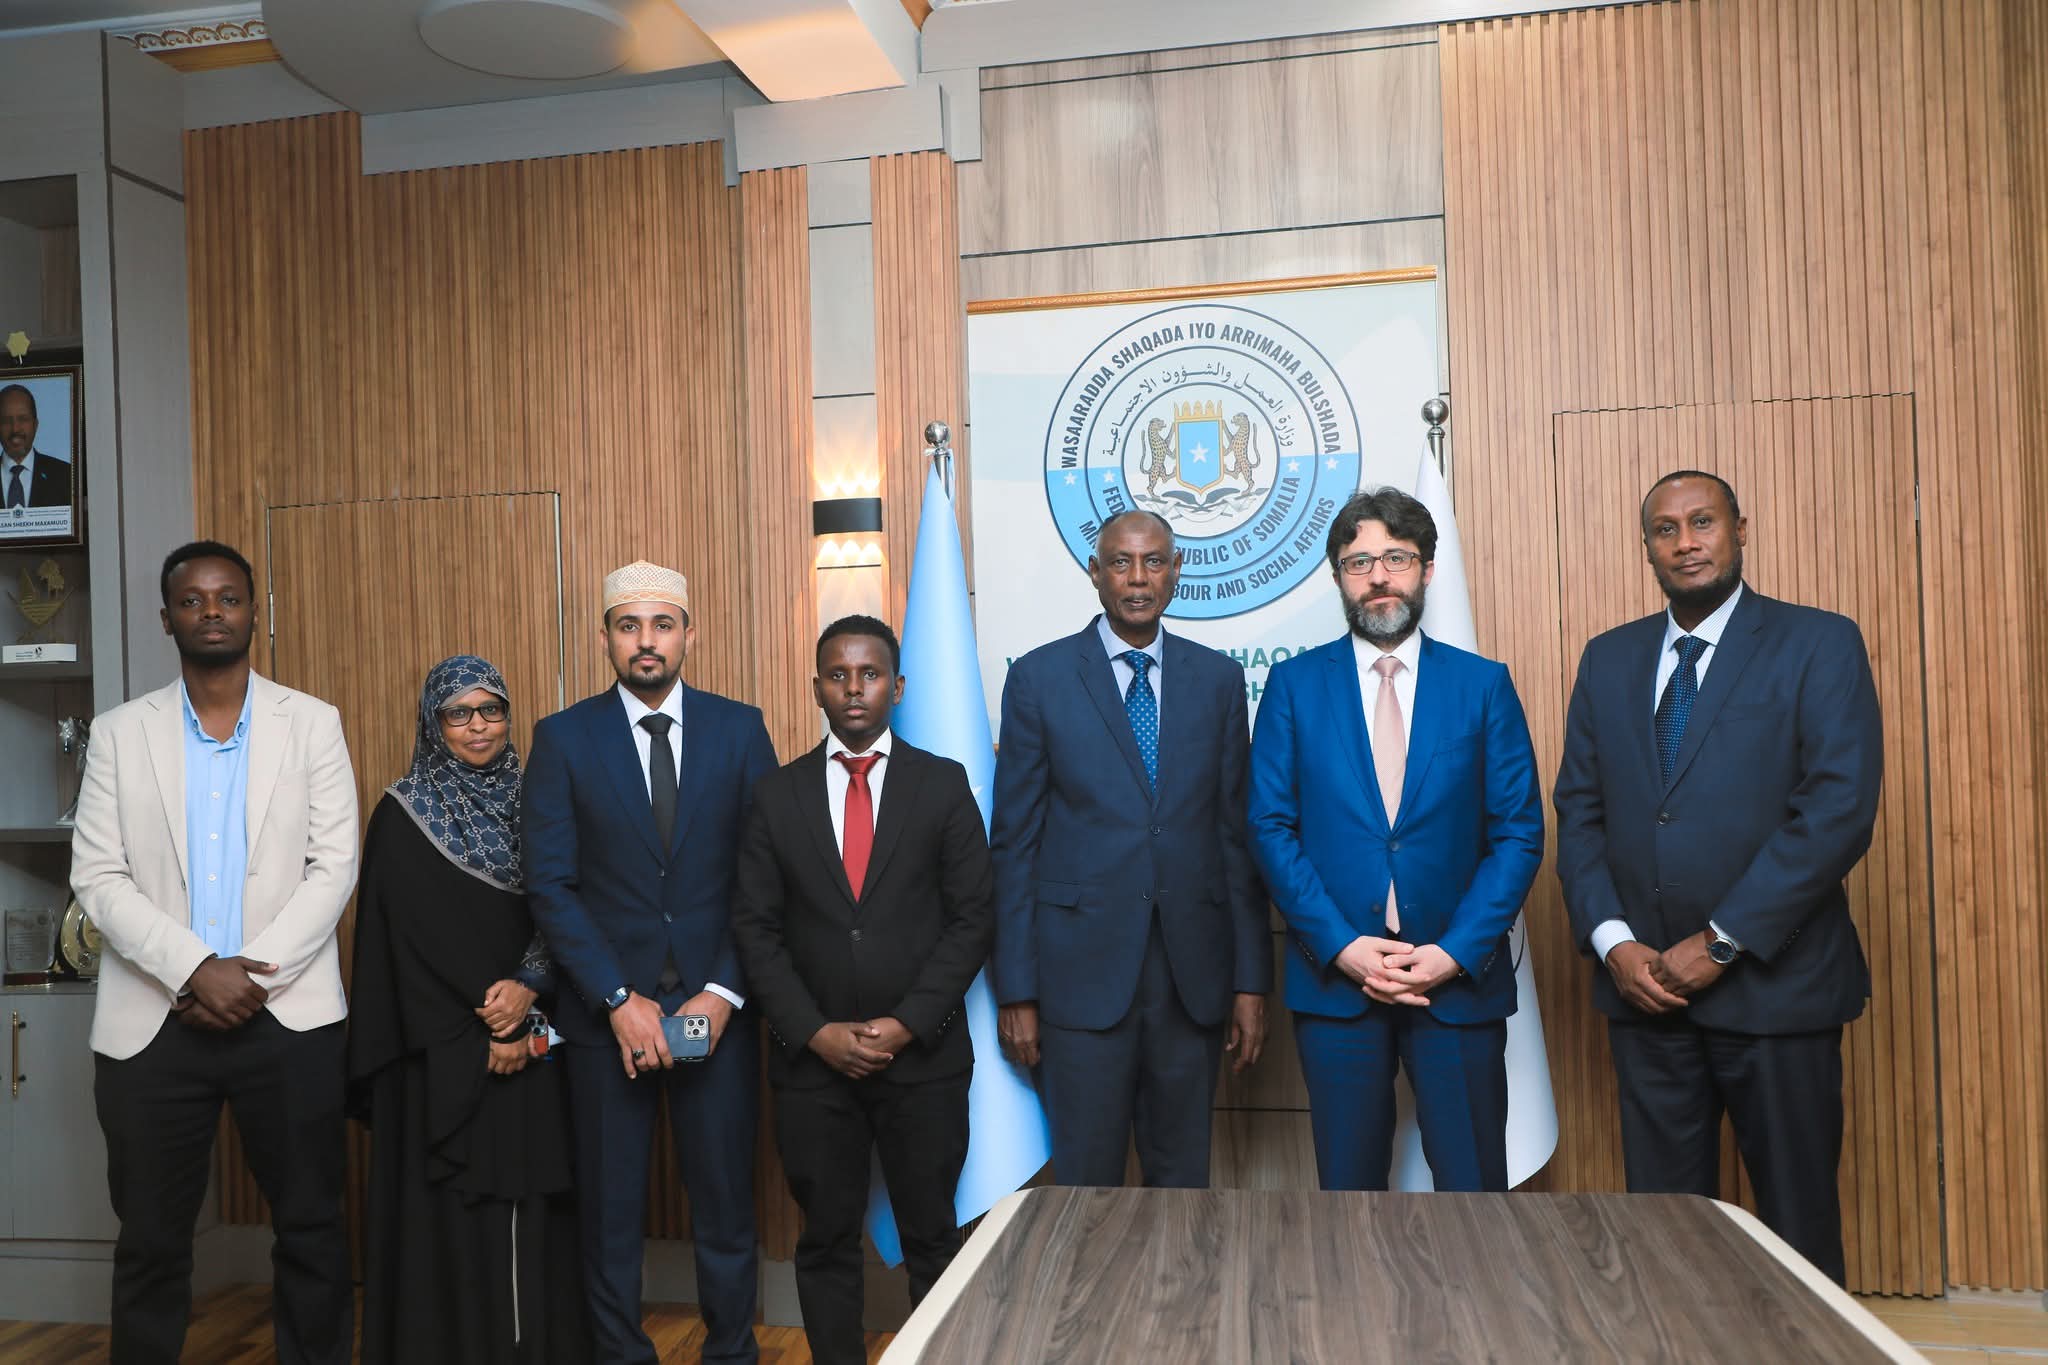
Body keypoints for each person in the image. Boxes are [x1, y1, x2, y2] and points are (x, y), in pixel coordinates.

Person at [1553, 470, 1882, 1284]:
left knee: (1798, 1229)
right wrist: (1614, 943)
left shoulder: (1818, 642)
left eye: (1702, 522)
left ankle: (1809, 1345)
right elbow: (1580, 812)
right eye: (1665, 530)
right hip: (1646, 997)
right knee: (1666, 1237)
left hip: (1778, 993)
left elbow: (1837, 811)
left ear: (1740, 528)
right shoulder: (1608, 658)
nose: (1686, 542)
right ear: (1647, 549)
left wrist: (1723, 941)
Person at [70, 539, 358, 1364]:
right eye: (191, 600)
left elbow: (335, 864)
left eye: (227, 597)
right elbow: (97, 874)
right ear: (167, 618)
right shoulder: (119, 733)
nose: (211, 612)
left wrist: (251, 975)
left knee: (311, 1226)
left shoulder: (313, 723)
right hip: (153, 1023)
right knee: (151, 1239)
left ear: (253, 612)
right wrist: (197, 969)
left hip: (288, 1015)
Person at [1248, 488, 1543, 1192]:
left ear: (1428, 569)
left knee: (1473, 1190)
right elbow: (1269, 827)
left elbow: (1518, 833)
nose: (1378, 576)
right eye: (1359, 562)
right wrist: (1342, 946)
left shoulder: (1482, 686)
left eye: (1396, 558)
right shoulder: (1292, 686)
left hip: (1457, 982)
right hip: (1337, 983)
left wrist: (1454, 952)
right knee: (1348, 1194)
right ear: (1338, 577)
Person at [522, 560, 778, 1365]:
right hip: (607, 1024)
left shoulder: (741, 729)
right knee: (609, 1213)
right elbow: (550, 885)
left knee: (726, 1209)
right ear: (604, 636)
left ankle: (731, 1352)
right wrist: (616, 997)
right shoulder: (563, 738)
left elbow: (766, 877)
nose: (646, 640)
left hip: (715, 1016)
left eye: (662, 624)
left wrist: (724, 991)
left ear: (689, 634)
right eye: (628, 625)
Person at [732, 615, 994, 1365]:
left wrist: (907, 1023)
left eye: (870, 674)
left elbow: (974, 918)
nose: (854, 688)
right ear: (816, 688)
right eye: (838, 675)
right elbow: (754, 929)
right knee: (825, 1241)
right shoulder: (775, 795)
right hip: (813, 1066)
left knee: (933, 1240)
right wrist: (815, 1032)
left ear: (897, 687)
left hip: (924, 1059)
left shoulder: (941, 783)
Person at [990, 509, 1269, 1189]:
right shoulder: (1039, 678)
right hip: (1077, 985)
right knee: (1086, 1190)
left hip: (1191, 982)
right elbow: (1014, 846)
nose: (1138, 578)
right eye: (1121, 562)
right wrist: (1016, 991)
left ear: (1176, 572)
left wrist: (1250, 982)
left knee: (1183, 1186)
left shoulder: (1219, 681)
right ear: (1095, 572)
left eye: (1153, 562)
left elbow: (1236, 841)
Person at [347, 655, 589, 1364]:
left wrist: (529, 995)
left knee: (528, 1210)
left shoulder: (541, 801)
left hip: (537, 1041)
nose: (478, 725)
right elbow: (396, 949)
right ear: (434, 723)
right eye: (459, 712)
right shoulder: (402, 815)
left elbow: (569, 904)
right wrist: (477, 1036)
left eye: (491, 709)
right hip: (436, 1057)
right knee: (445, 1222)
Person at [1, 383, 73, 509]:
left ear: (35, 425)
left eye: (23, 419)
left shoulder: (66, 476)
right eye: (6, 421)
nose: (15, 429)